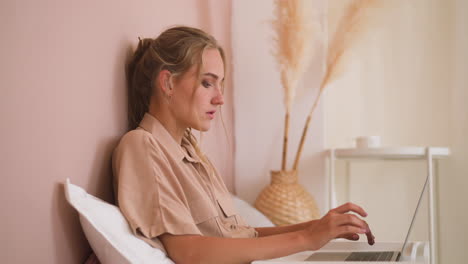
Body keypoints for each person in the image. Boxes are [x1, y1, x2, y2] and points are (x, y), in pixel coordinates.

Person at [112, 26, 375, 264]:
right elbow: (187, 251)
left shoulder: (192, 153)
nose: (220, 99)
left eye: (221, 85)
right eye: (207, 83)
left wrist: (318, 228)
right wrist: (305, 240)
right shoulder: (142, 146)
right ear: (168, 82)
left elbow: (243, 237)